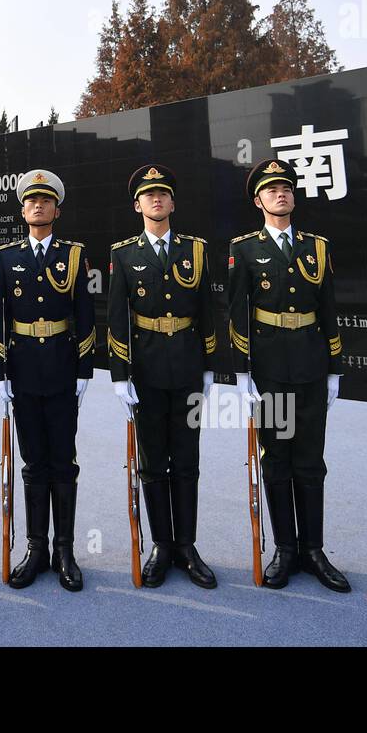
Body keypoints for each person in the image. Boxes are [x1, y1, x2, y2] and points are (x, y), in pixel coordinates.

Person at [228, 158, 350, 592]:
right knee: (277, 458)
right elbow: (237, 313)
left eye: (287, 188)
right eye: (272, 189)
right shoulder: (244, 248)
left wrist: (334, 368)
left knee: (310, 460)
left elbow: (330, 310)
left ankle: (314, 549)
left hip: (312, 366)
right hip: (272, 369)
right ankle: (284, 548)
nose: (281, 193)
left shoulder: (317, 246)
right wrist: (243, 374)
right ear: (258, 200)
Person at [106, 165, 217, 588]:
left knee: (187, 459)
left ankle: (187, 546)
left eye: (163, 194)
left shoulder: (197, 250)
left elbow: (208, 310)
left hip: (188, 367)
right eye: (148, 195)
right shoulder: (124, 253)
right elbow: (118, 318)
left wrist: (209, 367)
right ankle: (161, 545)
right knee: (152, 462)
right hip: (147, 370)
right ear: (137, 205)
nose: (156, 200)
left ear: (173, 203)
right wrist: (120, 374)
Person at [0, 169, 94, 592]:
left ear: (57, 209)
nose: (38, 206)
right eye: (32, 201)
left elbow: (85, 312)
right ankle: (35, 548)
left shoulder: (74, 254)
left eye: (46, 201)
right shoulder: (6, 256)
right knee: (33, 463)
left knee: (63, 462)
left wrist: (85, 369)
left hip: (63, 366)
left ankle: (64, 549)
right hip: (24, 369)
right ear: (23, 209)